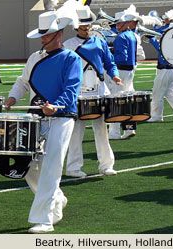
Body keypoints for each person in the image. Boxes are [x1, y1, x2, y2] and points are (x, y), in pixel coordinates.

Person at [4, 10, 82, 233]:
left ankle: (44, 219)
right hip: (35, 118)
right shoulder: (35, 57)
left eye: (46, 34)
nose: (42, 38)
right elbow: (22, 82)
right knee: (28, 167)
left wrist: (54, 106)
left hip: (61, 118)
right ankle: (56, 197)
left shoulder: (71, 58)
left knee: (51, 167)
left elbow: (71, 90)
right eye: (41, 34)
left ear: (58, 34)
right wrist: (12, 97)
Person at [63, 5, 122, 177]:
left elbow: (109, 63)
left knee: (102, 129)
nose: (86, 27)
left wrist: (115, 76)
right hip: (78, 92)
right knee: (76, 131)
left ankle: (106, 165)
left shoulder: (100, 42)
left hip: (99, 90)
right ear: (76, 26)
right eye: (82, 24)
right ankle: (73, 168)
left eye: (88, 24)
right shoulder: (68, 45)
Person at [147, 11, 173, 123]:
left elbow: (161, 49)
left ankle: (156, 116)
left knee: (157, 93)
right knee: (171, 93)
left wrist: (151, 38)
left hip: (164, 69)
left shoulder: (167, 30)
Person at [108, 10, 138, 140]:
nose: (117, 26)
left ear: (126, 23)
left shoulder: (120, 37)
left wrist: (110, 58)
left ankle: (114, 132)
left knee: (115, 100)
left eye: (120, 23)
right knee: (127, 100)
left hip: (121, 70)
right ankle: (129, 128)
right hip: (130, 70)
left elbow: (121, 57)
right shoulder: (132, 35)